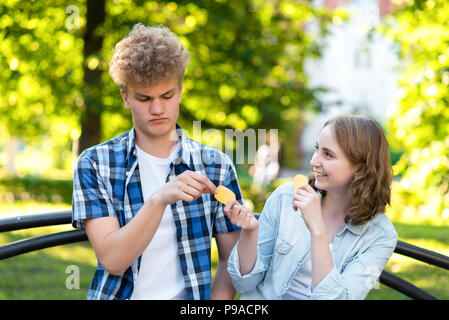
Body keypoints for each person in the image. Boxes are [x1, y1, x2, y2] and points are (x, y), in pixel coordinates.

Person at [72, 23, 243, 300]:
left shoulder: (215, 165)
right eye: (144, 98)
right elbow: (113, 261)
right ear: (125, 97)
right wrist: (159, 199)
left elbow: (230, 262)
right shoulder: (95, 164)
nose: (157, 109)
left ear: (181, 90)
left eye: (167, 96)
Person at [226, 114, 398, 299]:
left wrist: (317, 230)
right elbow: (245, 284)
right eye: (318, 149)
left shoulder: (381, 235)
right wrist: (250, 233)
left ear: (361, 168)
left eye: (328, 155)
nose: (314, 161)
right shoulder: (286, 197)